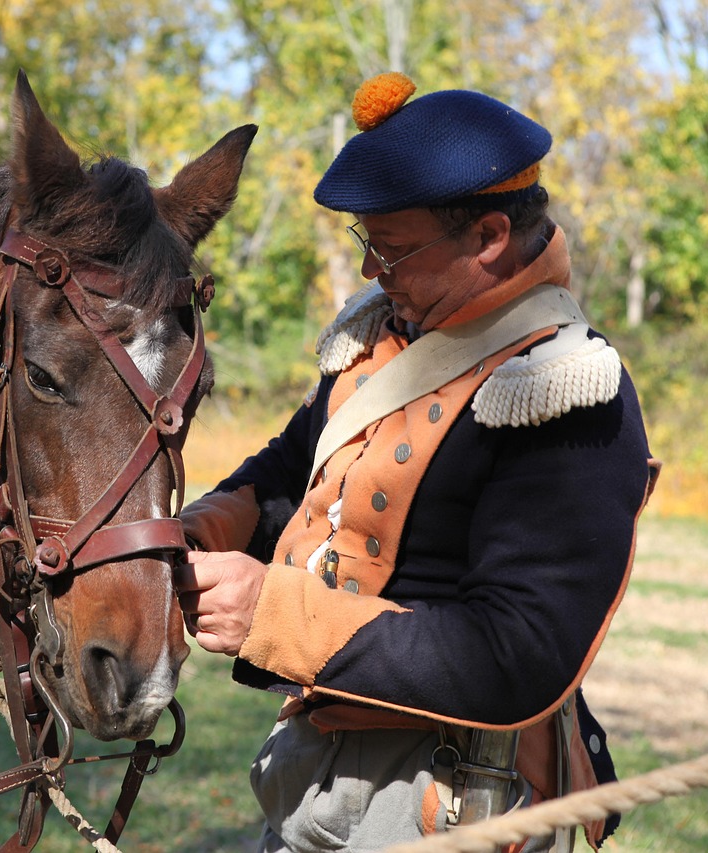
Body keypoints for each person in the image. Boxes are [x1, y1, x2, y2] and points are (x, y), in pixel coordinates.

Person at [174, 72, 660, 852]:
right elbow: (292, 470)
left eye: (392, 249)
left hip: (454, 793)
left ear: (489, 237)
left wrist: (273, 613)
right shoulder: (384, 340)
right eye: (368, 244)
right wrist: (196, 532)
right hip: (316, 765)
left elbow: (518, 653)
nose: (373, 272)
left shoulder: (567, 388)